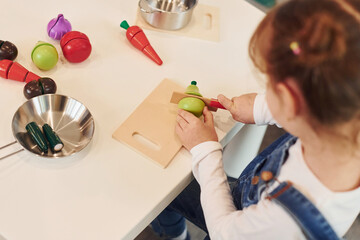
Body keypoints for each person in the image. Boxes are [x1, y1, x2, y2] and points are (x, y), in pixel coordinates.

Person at [151, 0, 360, 239]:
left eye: (271, 86)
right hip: (254, 202)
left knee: (159, 190)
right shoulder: (341, 122)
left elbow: (224, 232)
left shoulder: (285, 219)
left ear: (293, 104)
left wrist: (205, 149)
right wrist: (262, 107)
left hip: (236, 226)